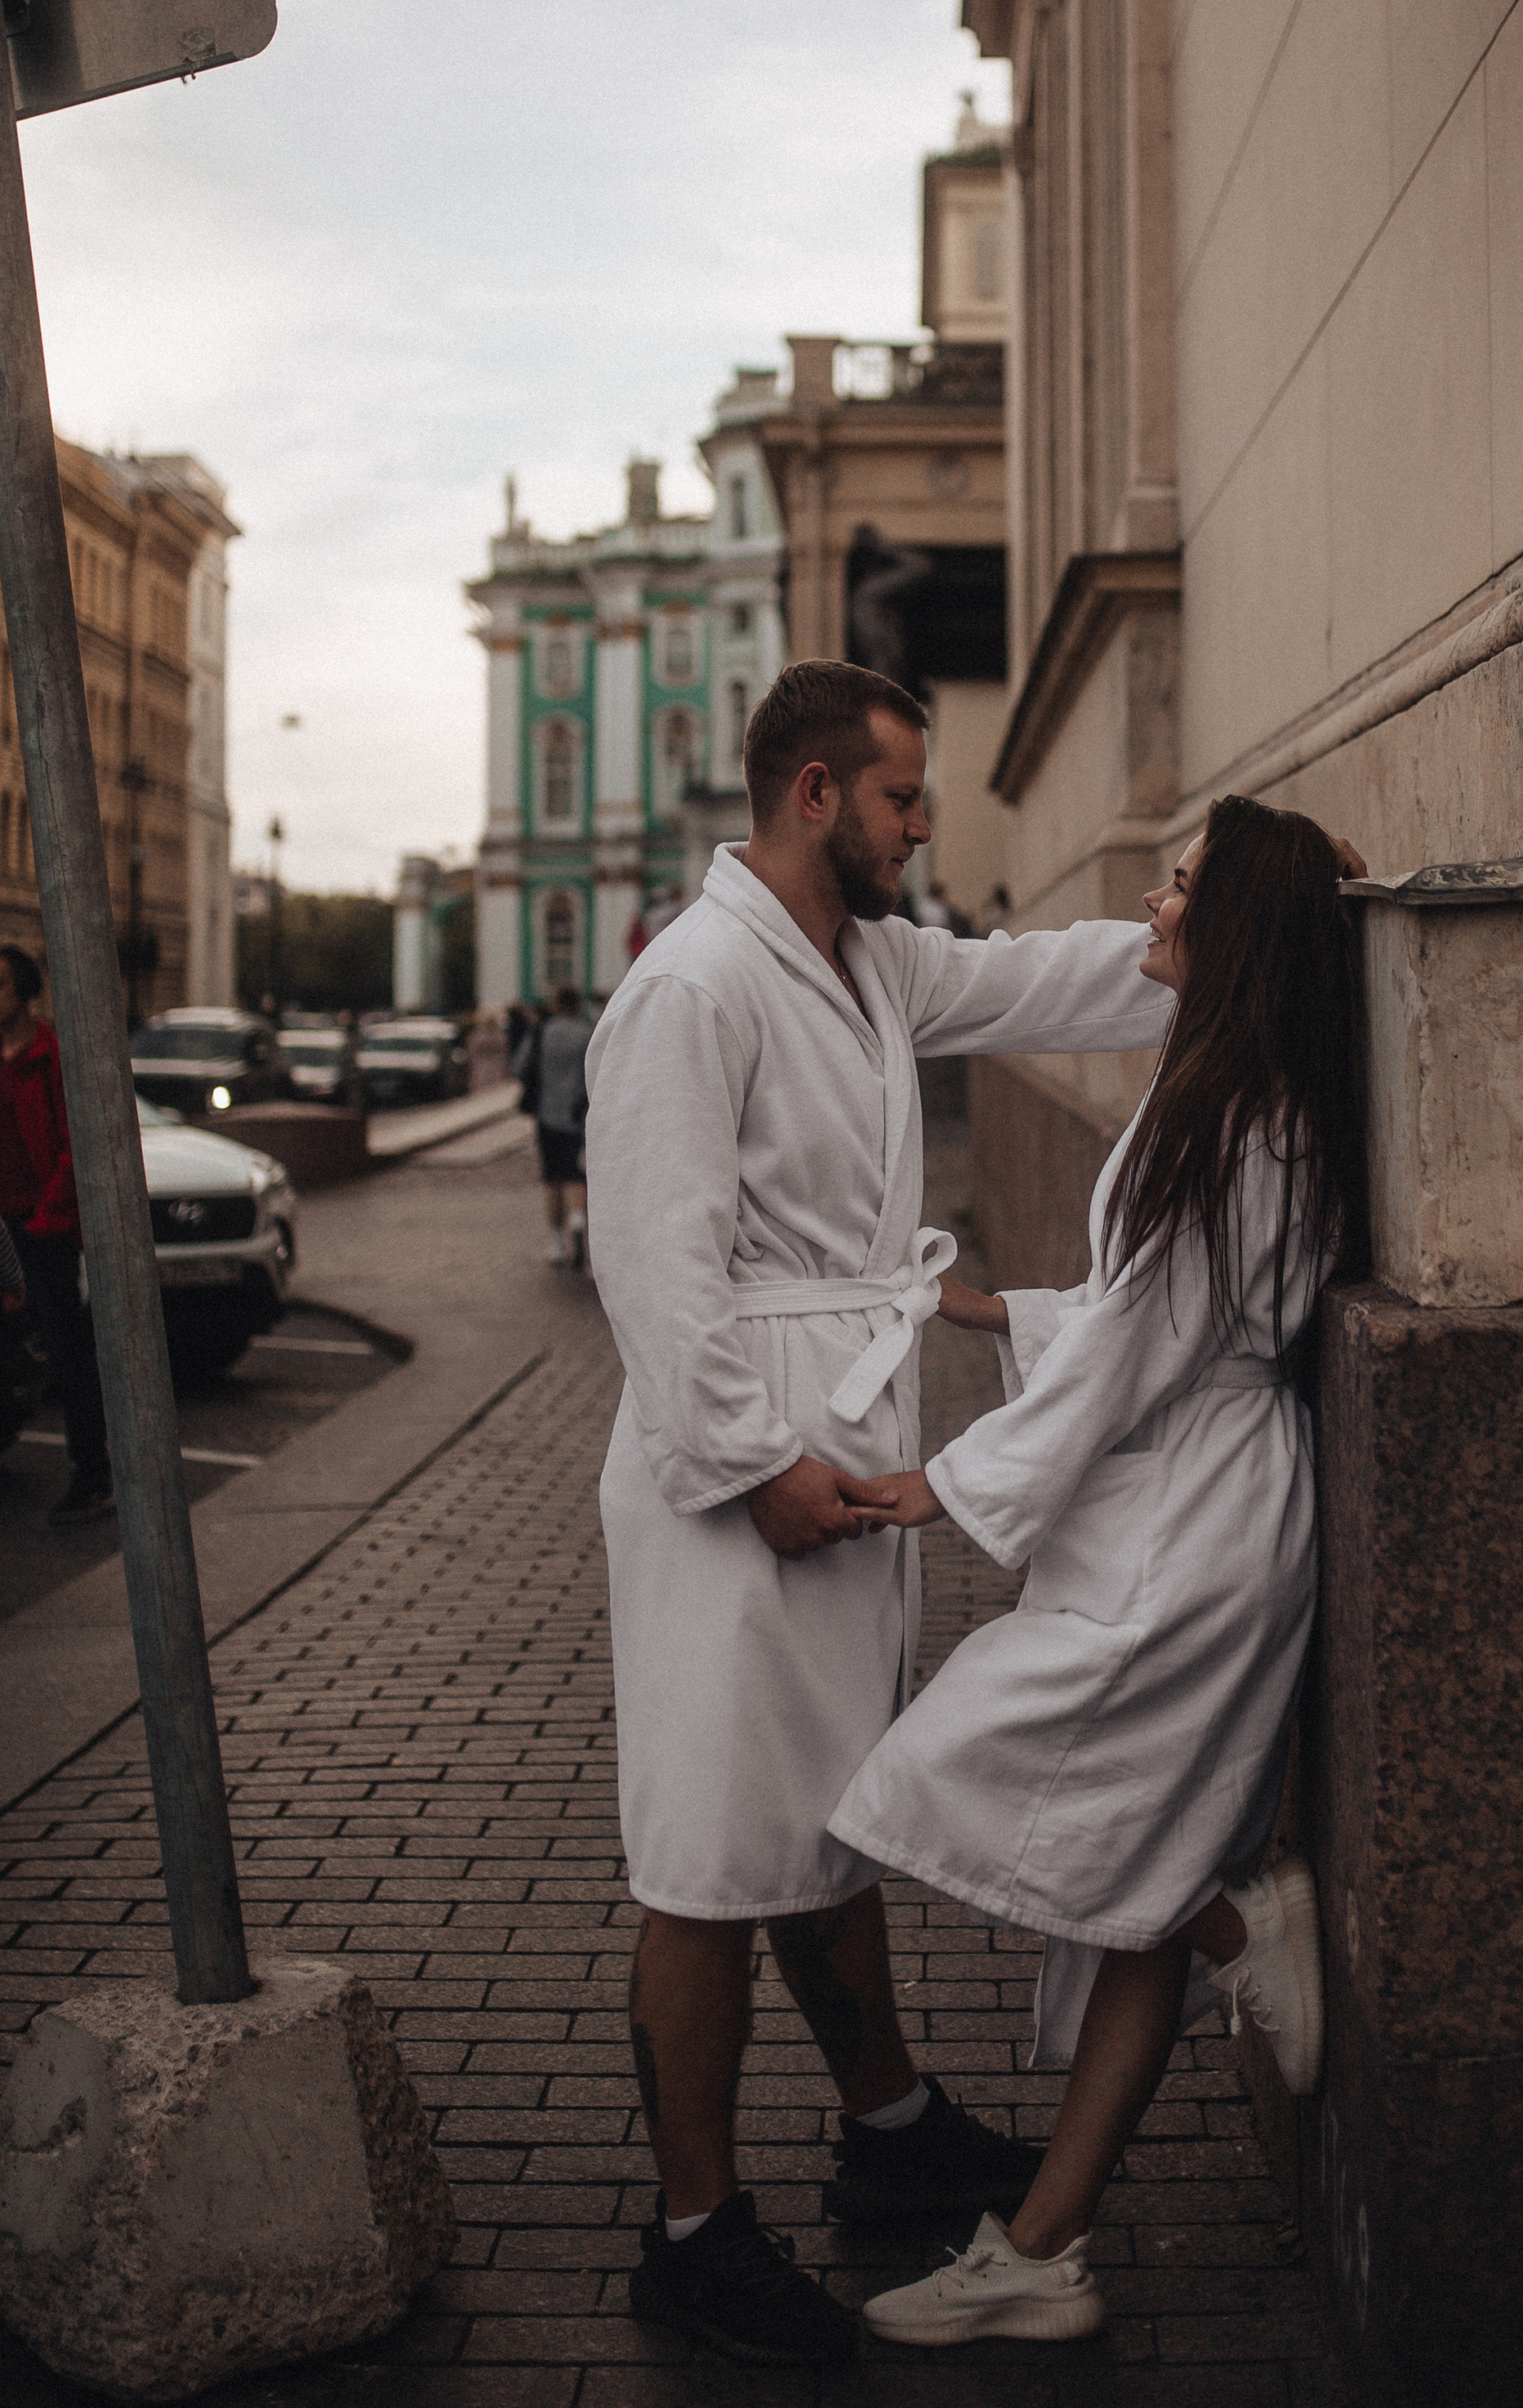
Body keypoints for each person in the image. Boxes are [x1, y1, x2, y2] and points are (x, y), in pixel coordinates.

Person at [582, 659, 1173, 2371]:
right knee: (704, 1856)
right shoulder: (692, 988)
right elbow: (653, 1266)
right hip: (743, 1473)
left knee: (822, 1811)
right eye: (906, 795)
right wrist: (744, 1466)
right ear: (816, 795)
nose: (929, 825)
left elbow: (1031, 974)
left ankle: (886, 2121)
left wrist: (1217, 944)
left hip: (837, 1435)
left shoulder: (870, 960)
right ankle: (693, 2233)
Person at [830, 795, 1370, 2350]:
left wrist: (944, 1482)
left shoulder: (1244, 1115)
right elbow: (1150, 1310)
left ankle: (1228, 1925)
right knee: (1117, 1876)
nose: (1153, 897)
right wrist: (1000, 1317)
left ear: (1237, 927)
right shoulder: (1237, 1093)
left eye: (1184, 883)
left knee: (951, 1769)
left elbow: (1146, 1344)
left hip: (1192, 1527)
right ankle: (1049, 2249)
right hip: (1194, 1497)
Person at [0, 943, 111, 1525]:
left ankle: (93, 1477)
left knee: (69, 1355)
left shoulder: (51, 1057)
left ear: (24, 995)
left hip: (40, 1229)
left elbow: (74, 1150)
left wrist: (44, 1224)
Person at [520, 983, 593, 1268]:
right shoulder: (587, 1033)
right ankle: (578, 1216)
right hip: (578, 1115)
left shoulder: (541, 1033)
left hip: (547, 1115)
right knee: (577, 1175)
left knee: (552, 1179)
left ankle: (556, 1244)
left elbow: (519, 1066)